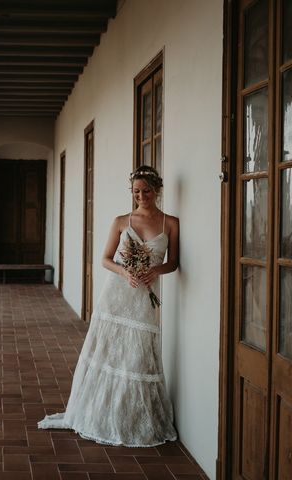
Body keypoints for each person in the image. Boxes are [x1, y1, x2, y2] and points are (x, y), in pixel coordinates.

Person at [38, 165, 179, 447]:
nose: (141, 196)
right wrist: (124, 272)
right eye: (136, 191)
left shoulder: (170, 223)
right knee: (109, 351)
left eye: (147, 191)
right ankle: (100, 411)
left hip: (143, 297)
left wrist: (156, 271)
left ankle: (132, 417)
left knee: (138, 356)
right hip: (117, 294)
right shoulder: (120, 221)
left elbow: (173, 262)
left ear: (157, 190)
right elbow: (105, 259)